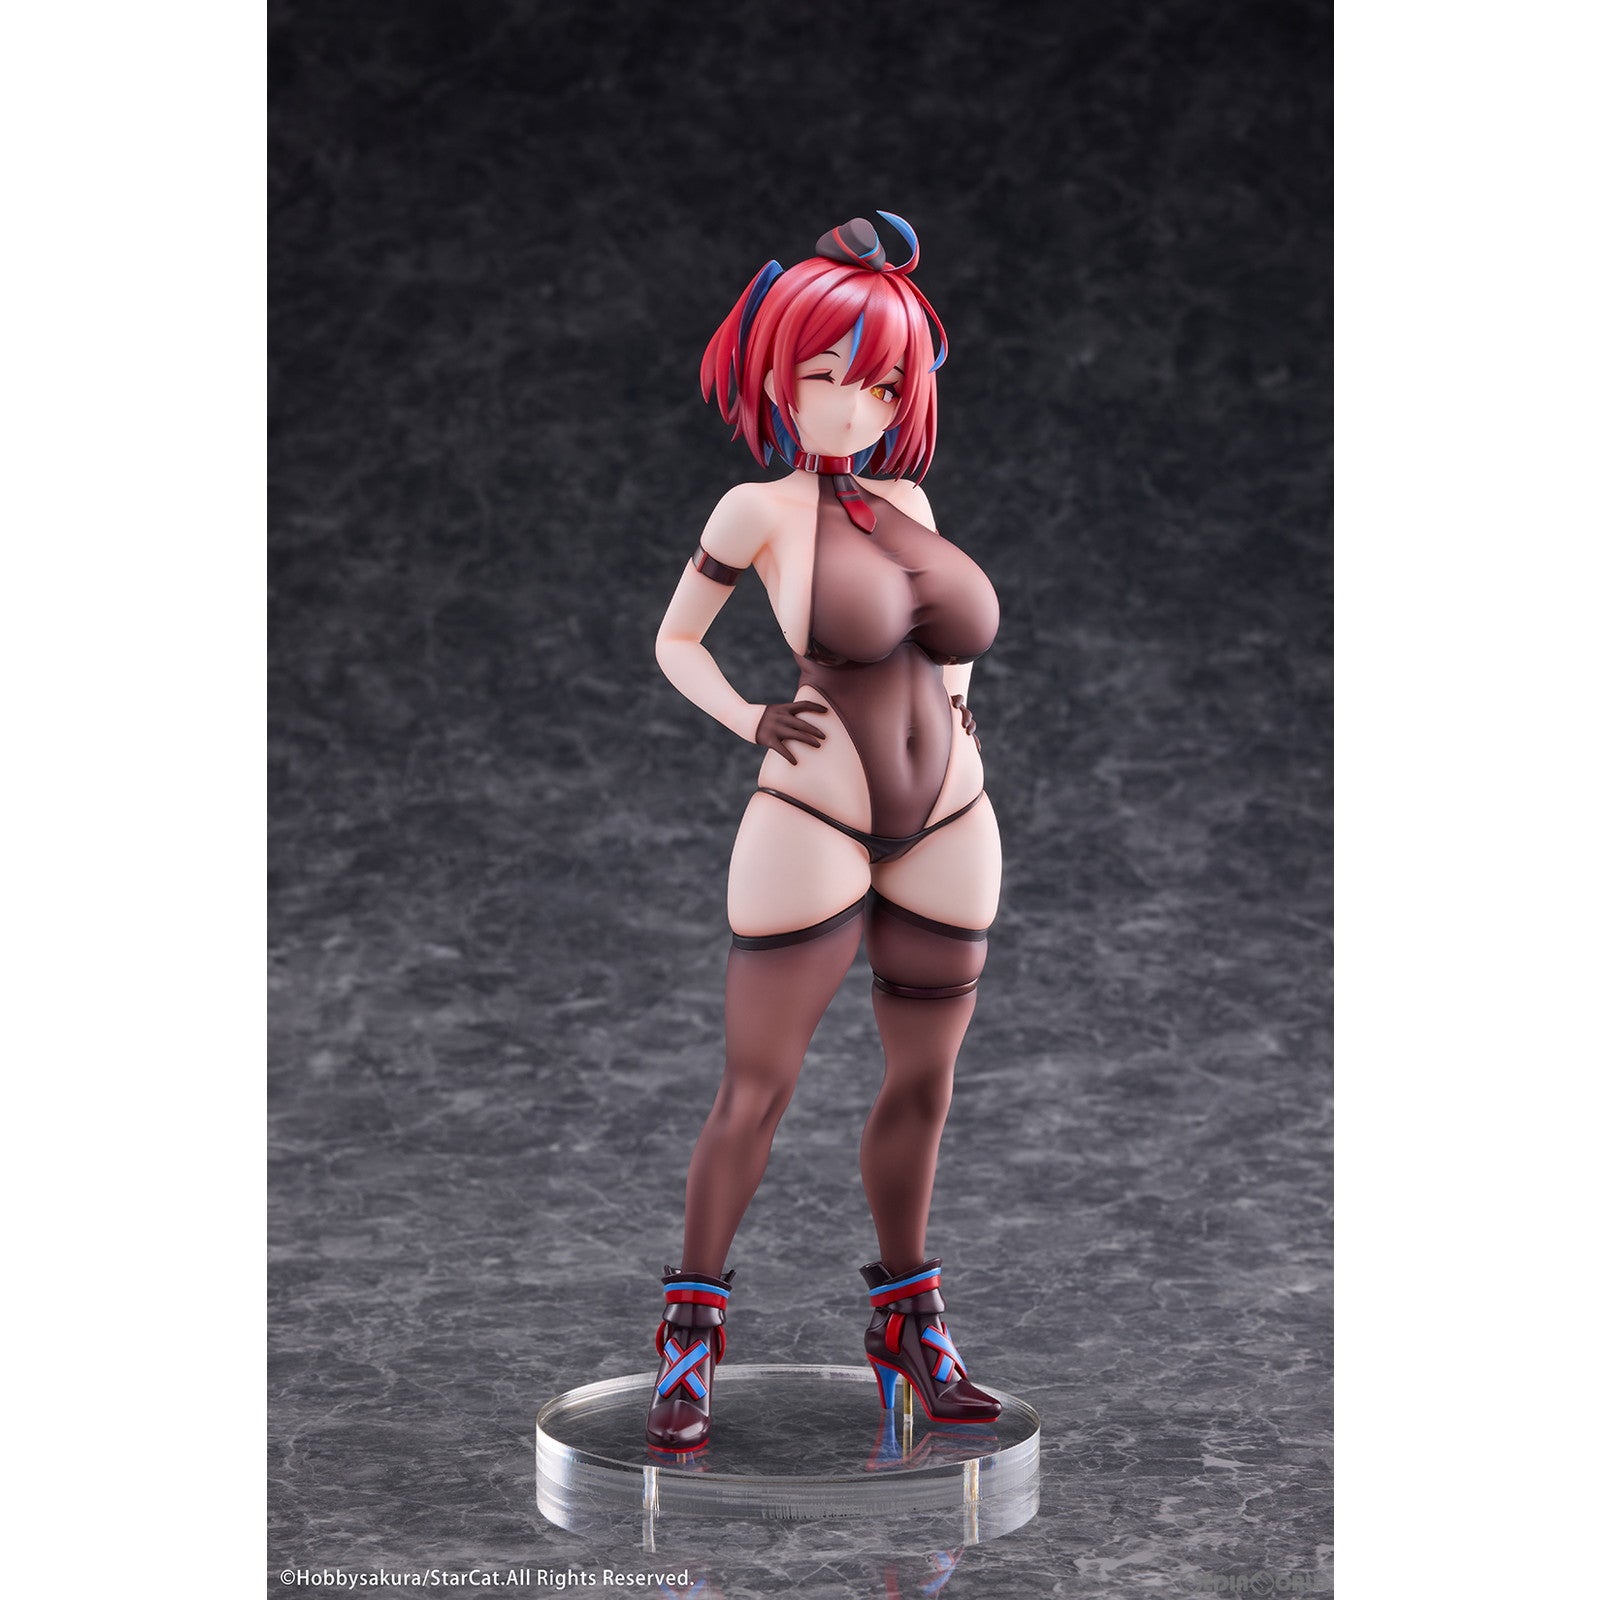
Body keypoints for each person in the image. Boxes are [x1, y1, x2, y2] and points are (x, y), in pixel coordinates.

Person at [646, 214, 1003, 1452]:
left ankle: (910, 1323)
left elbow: (942, 639)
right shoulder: (754, 508)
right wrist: (749, 717)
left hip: (952, 817)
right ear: (775, 373)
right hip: (812, 811)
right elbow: (674, 640)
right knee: (758, 1084)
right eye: (825, 374)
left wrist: (959, 706)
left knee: (925, 1081)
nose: (854, 405)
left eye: (883, 383)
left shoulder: (910, 495)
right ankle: (689, 1333)